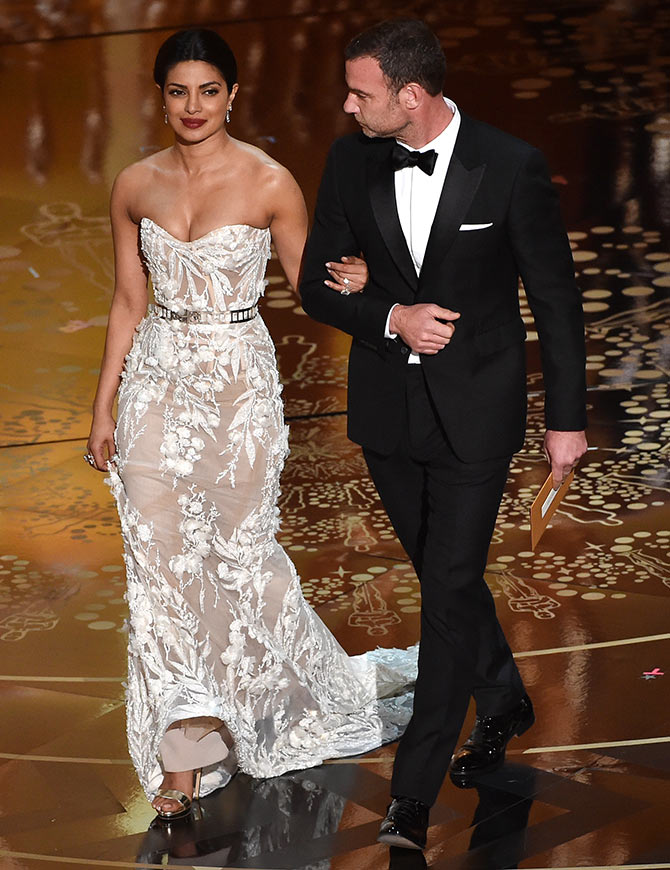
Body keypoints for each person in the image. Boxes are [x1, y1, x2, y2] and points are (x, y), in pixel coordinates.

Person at [85, 28, 417, 823]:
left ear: (233, 95)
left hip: (239, 387)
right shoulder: (134, 184)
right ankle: (187, 756)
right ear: (160, 97)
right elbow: (130, 302)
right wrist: (103, 406)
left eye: (208, 90)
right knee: (160, 569)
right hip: (157, 385)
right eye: (177, 91)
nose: (192, 106)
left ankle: (284, 700)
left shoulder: (271, 182)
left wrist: (376, 280)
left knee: (240, 559)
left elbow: (314, 287)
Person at [300, 18, 588, 851]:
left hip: (477, 416)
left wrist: (565, 419)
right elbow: (321, 283)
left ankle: (413, 793)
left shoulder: (511, 164)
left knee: (447, 584)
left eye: (362, 92)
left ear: (412, 95)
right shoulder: (351, 158)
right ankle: (502, 697)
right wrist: (388, 312)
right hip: (388, 412)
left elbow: (557, 300)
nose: (347, 104)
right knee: (447, 578)